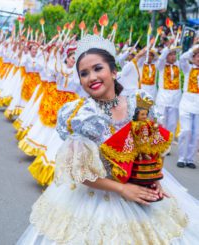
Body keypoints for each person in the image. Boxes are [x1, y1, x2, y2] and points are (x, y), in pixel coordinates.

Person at [16, 35, 199, 244]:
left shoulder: (138, 103)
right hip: (95, 196)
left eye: (97, 68)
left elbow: (147, 150)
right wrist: (123, 189)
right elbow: (80, 171)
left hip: (139, 189)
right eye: (84, 73)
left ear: (113, 71)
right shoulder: (80, 115)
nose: (91, 77)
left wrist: (154, 180)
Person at [177, 43, 199, 169]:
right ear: (193, 57)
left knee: (196, 134)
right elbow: (182, 58)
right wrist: (194, 48)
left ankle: (190, 158)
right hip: (186, 103)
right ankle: (182, 157)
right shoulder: (187, 68)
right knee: (186, 131)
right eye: (197, 56)